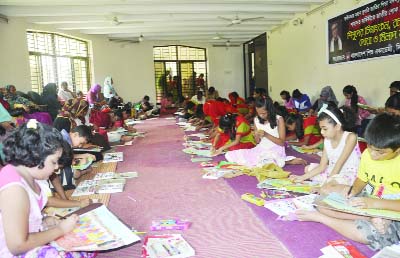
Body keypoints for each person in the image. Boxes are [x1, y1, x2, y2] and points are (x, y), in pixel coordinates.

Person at [296, 113, 400, 251]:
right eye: (370, 147)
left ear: (397, 149)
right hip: (369, 198)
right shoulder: (367, 155)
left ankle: (321, 218)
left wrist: (373, 204)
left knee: (366, 234)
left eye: (380, 152)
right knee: (322, 199)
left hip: (391, 208)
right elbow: (362, 179)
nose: (373, 155)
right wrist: (354, 190)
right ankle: (371, 218)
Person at [0, 119, 95, 257]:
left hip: (28, 239)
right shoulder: (14, 190)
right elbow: (17, 245)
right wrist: (60, 230)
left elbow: (27, 217)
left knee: (85, 245)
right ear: (36, 155)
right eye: (54, 162)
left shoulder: (29, 176)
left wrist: (44, 221)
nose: (57, 167)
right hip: (11, 253)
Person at [290, 104, 360, 193]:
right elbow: (322, 166)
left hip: (348, 173)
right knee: (308, 169)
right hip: (333, 170)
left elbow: (339, 165)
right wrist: (301, 178)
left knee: (331, 185)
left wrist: (323, 186)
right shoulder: (327, 140)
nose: (322, 132)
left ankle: (333, 185)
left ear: (337, 126)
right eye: (321, 129)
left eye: (325, 129)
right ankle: (331, 184)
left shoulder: (350, 137)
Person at [225, 97, 287, 167]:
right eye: (259, 113)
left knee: (267, 162)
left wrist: (266, 135)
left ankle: (277, 160)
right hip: (261, 148)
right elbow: (257, 142)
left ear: (270, 110)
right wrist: (256, 135)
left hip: (275, 149)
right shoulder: (256, 119)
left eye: (264, 113)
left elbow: (282, 143)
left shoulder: (279, 119)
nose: (261, 116)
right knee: (229, 155)